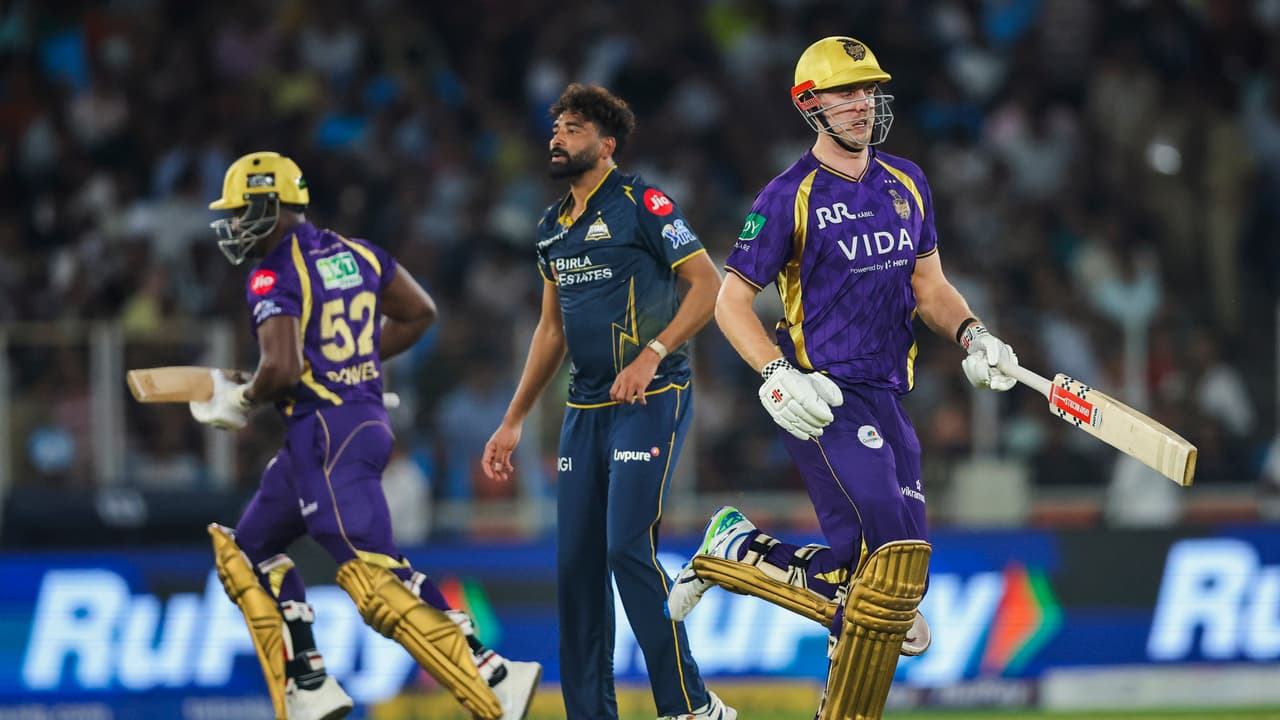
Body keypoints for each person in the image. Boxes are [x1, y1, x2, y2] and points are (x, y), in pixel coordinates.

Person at [664, 37, 1019, 720]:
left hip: (888, 393)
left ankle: (740, 546)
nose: (862, 104)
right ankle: (743, 561)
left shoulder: (907, 181)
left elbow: (930, 286)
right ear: (810, 104)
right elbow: (730, 302)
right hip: (821, 396)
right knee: (886, 554)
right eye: (846, 92)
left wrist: (975, 334)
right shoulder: (787, 195)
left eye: (869, 90)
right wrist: (776, 375)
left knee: (899, 579)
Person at [194, 151, 540, 720]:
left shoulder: (272, 272)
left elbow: (280, 368)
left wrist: (243, 399)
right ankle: (309, 680)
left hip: (326, 434)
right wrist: (348, 364)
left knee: (375, 576)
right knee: (246, 552)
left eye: (239, 211)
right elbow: (419, 312)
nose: (233, 225)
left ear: (267, 206)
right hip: (345, 427)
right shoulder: (358, 253)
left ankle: (492, 671)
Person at [481, 84, 734, 720]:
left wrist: (652, 354)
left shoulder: (641, 202)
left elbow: (708, 285)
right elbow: (550, 332)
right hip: (585, 410)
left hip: (653, 395)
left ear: (606, 145)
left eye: (573, 129)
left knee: (626, 547)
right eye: (556, 128)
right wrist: (512, 420)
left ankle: (691, 706)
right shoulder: (552, 226)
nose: (557, 138)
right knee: (577, 569)